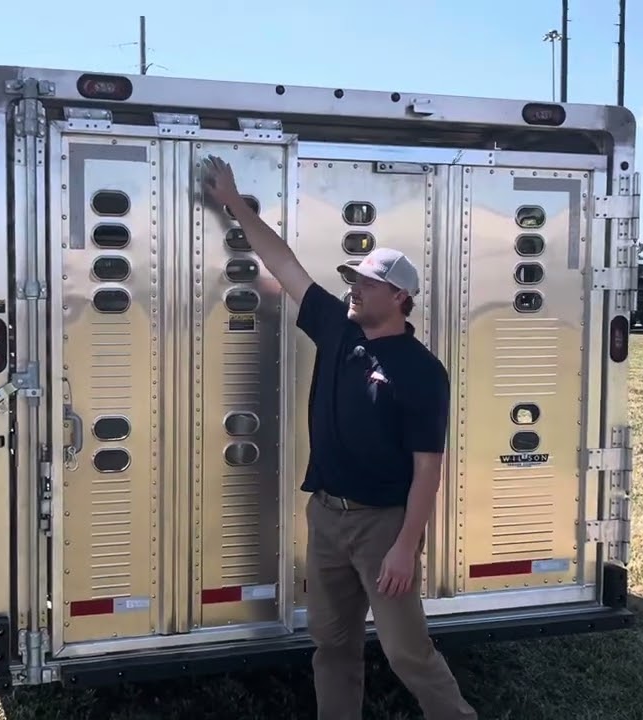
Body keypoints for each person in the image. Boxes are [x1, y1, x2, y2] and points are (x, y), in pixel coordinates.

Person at [201, 155, 479, 720]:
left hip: (383, 527)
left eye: (368, 283)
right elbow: (284, 260)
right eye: (353, 278)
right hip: (327, 518)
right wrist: (234, 204)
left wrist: (405, 546)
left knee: (407, 653)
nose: (354, 288)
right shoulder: (337, 327)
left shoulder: (424, 372)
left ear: (400, 297)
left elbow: (428, 469)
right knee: (331, 645)